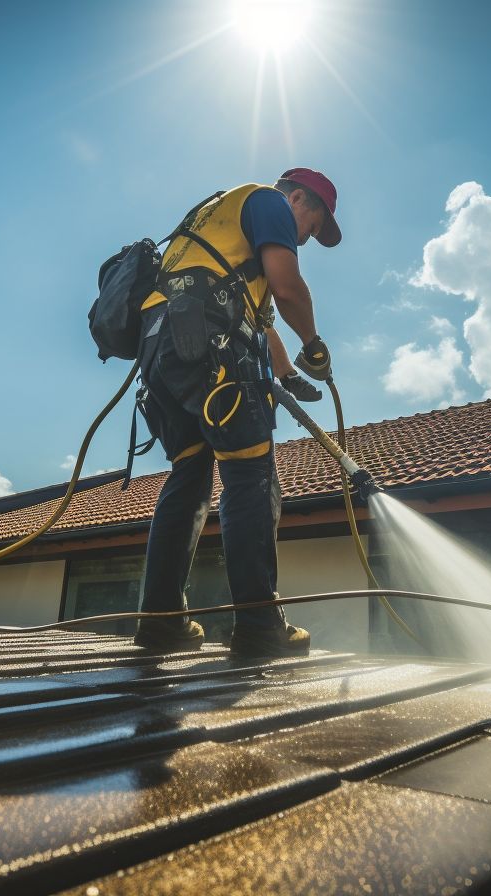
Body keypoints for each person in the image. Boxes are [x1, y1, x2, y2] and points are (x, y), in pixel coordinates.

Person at [132, 168, 341, 656]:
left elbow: (259, 319)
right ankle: (259, 625)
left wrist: (289, 374)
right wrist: (314, 344)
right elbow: (288, 288)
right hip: (213, 347)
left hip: (164, 354)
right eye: (313, 225)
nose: (306, 237)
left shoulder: (217, 220)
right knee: (252, 477)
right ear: (298, 198)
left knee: (189, 478)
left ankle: (161, 621)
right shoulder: (270, 204)